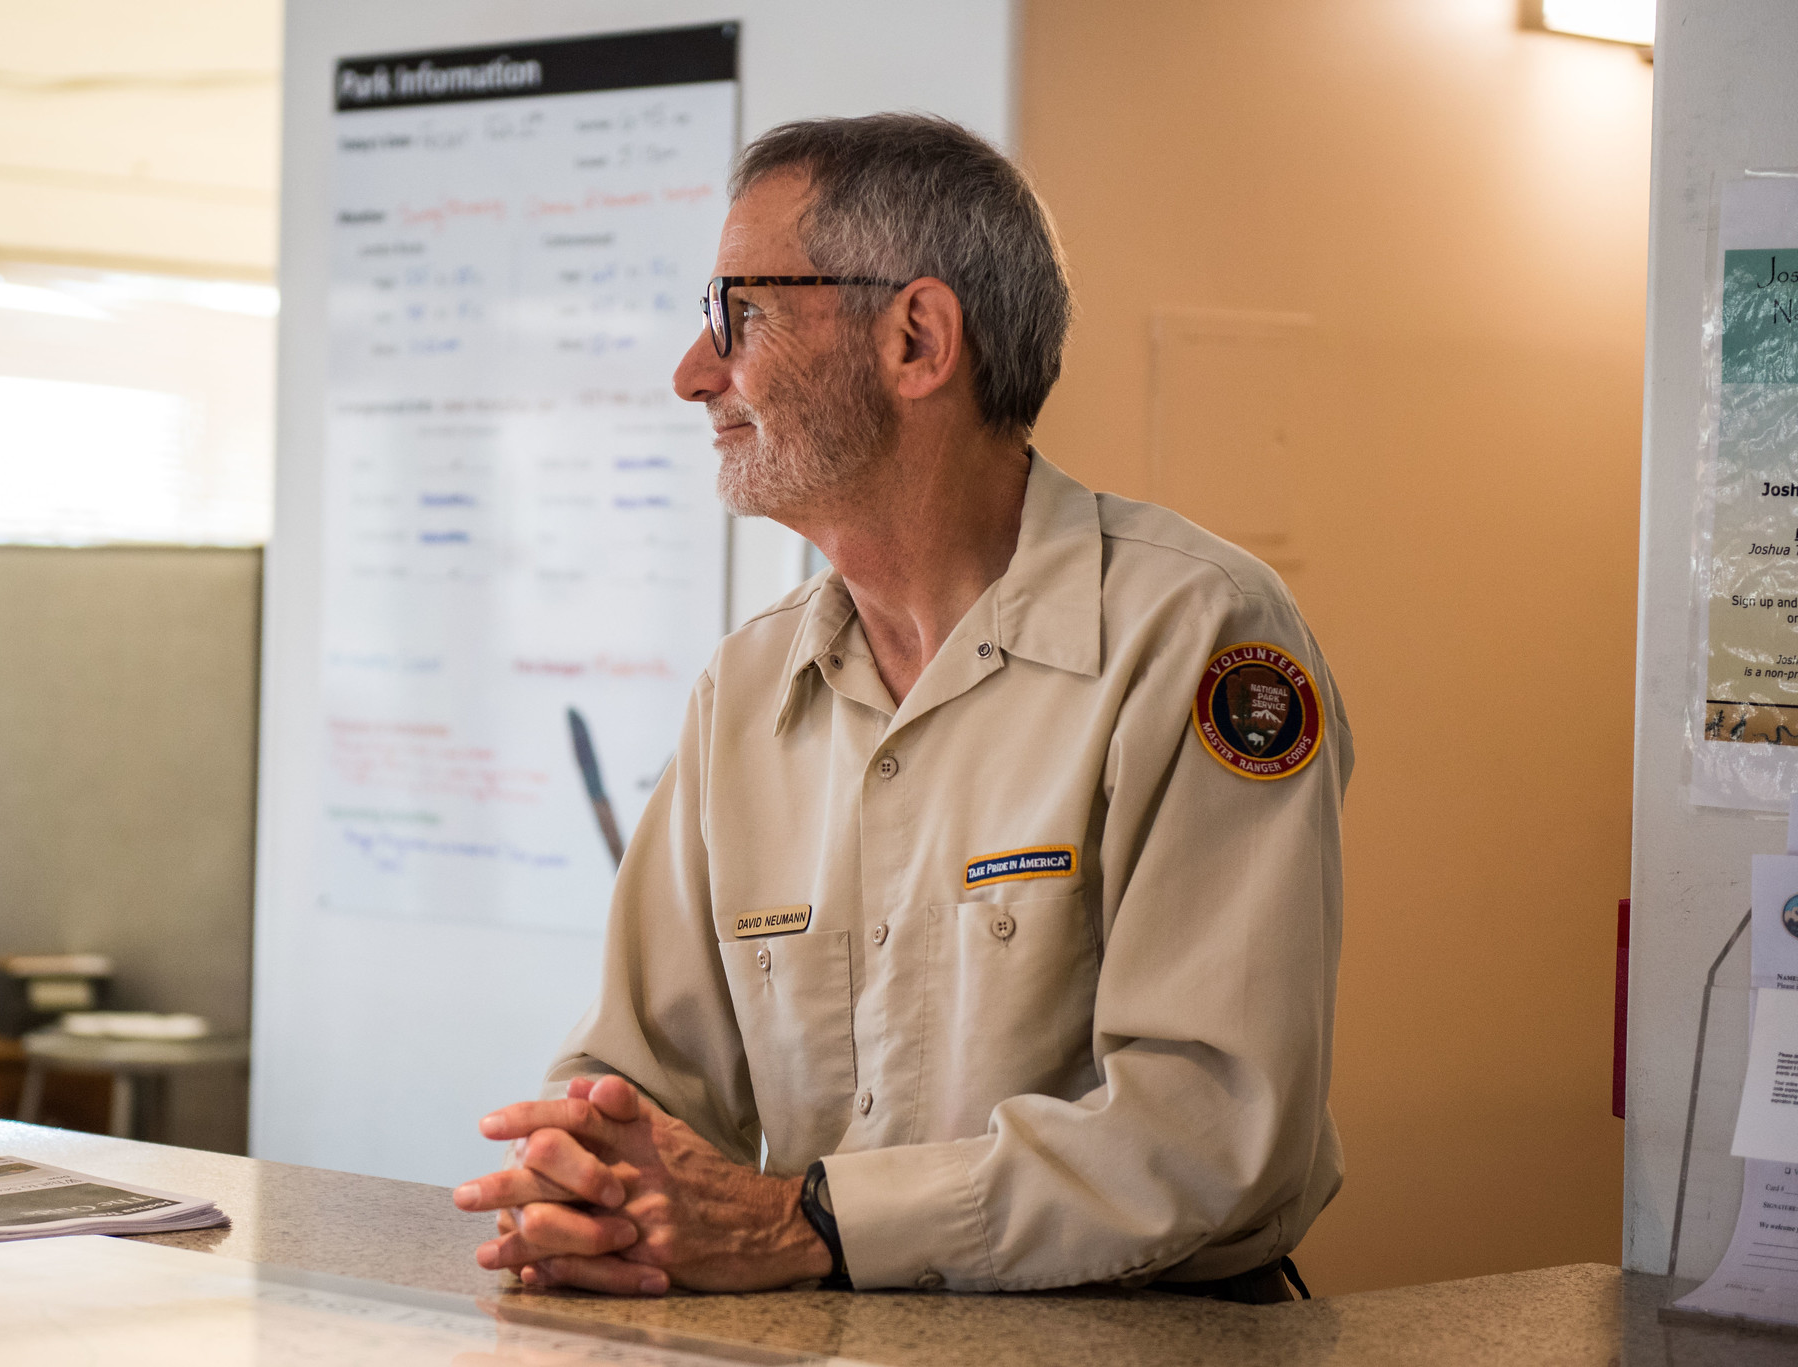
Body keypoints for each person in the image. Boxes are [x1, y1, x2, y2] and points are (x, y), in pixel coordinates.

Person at [452, 113, 1352, 1302]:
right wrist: (591, 1178)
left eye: (740, 314)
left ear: (916, 337)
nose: (692, 372)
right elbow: (641, 1073)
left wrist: (812, 1224)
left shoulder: (1196, 634)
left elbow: (1210, 1131)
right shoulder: (745, 687)